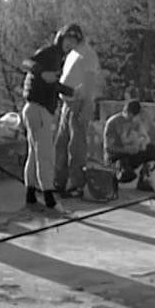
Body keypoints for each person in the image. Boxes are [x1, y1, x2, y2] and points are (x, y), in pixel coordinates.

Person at [21, 29, 76, 211]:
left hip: (31, 108)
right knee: (45, 154)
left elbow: (52, 84)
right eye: (69, 39)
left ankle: (30, 194)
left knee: (34, 153)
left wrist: (71, 92)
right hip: (39, 109)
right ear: (61, 38)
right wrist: (41, 72)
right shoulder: (51, 52)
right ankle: (49, 197)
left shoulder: (56, 57)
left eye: (74, 42)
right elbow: (27, 62)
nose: (71, 44)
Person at [54, 23, 101, 197]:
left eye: (67, 39)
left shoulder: (87, 54)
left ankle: (77, 184)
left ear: (75, 37)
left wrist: (88, 106)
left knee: (76, 146)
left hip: (79, 103)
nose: (65, 43)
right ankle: (59, 180)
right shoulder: (73, 54)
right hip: (67, 104)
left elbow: (89, 82)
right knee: (61, 144)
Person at [103, 99, 155, 183]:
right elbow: (109, 147)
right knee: (123, 163)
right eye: (131, 116)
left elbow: (145, 138)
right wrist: (126, 150)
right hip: (118, 155)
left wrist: (141, 144)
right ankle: (121, 172)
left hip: (133, 151)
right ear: (126, 112)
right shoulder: (113, 123)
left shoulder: (136, 122)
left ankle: (145, 177)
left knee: (152, 150)